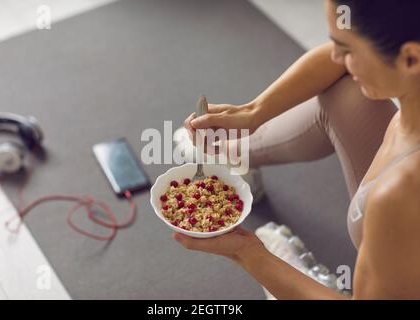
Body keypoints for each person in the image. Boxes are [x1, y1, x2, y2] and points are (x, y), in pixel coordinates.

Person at [176, 0, 420, 299]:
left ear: (410, 58)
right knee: (348, 94)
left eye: (346, 48)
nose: (336, 55)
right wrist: (253, 112)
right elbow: (336, 63)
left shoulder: (400, 197)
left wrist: (251, 254)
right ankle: (234, 153)